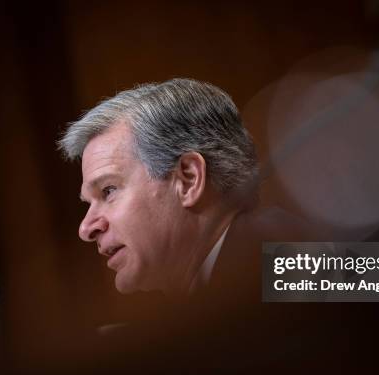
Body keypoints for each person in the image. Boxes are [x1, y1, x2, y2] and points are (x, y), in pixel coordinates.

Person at [58, 78, 309, 306]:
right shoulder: (201, 304)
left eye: (108, 190)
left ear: (188, 180)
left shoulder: (298, 264)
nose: (86, 229)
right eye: (88, 203)